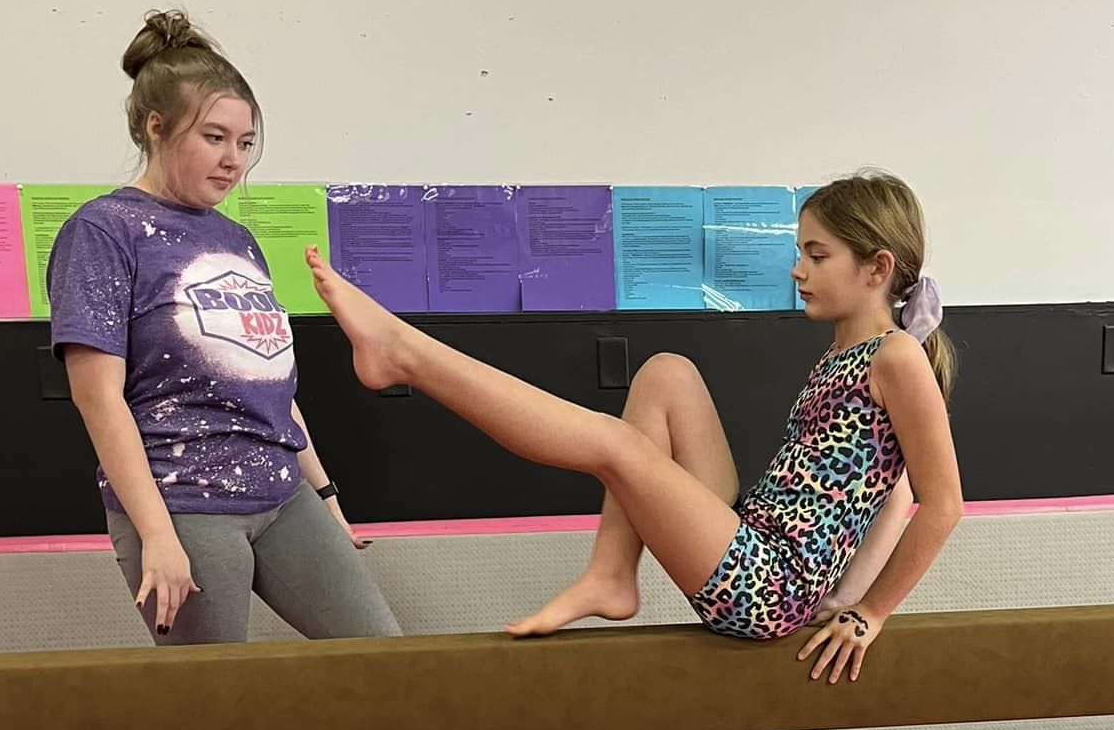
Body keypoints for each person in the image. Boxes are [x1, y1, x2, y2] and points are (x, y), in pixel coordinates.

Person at [47, 9, 531, 730]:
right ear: (156, 127)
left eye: (247, 142)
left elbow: (274, 384)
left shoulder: (238, 240)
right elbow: (99, 399)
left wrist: (329, 501)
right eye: (214, 139)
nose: (235, 160)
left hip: (280, 491)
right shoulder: (103, 233)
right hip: (180, 503)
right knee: (220, 711)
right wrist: (159, 536)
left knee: (387, 668)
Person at [305, 171, 962, 683]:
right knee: (666, 372)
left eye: (817, 256)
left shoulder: (898, 357)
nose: (797, 271)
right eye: (800, 252)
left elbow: (939, 503)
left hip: (768, 584)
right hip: (753, 540)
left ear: (876, 269)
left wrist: (867, 611)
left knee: (615, 446)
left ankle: (407, 355)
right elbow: (889, 492)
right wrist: (843, 595)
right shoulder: (843, 355)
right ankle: (612, 573)